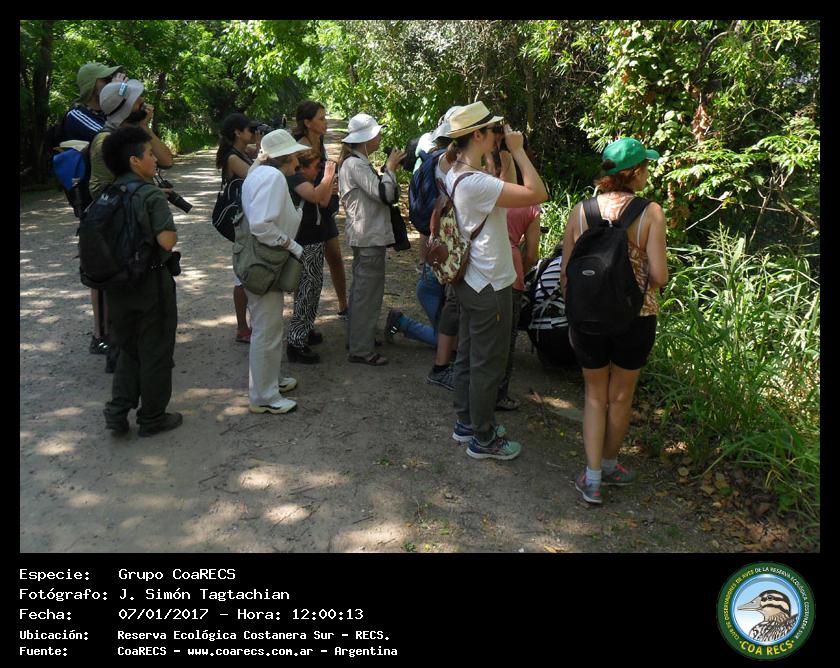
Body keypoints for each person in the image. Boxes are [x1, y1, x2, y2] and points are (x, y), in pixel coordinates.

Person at [560, 137, 668, 504]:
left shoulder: (581, 211)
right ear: (635, 172)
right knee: (621, 396)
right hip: (636, 317)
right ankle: (609, 464)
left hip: (587, 316)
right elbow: (659, 276)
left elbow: (566, 272)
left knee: (594, 395)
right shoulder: (650, 212)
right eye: (646, 167)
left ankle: (591, 479)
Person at [443, 102, 547, 461]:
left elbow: (506, 191)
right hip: (489, 282)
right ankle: (483, 438)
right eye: (492, 130)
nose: (498, 134)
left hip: (470, 280)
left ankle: (466, 422)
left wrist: (498, 156)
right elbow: (536, 193)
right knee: (488, 363)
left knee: (469, 354)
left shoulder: (457, 172)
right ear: (477, 135)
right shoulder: (476, 183)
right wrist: (518, 150)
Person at [100, 126, 182, 437]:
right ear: (135, 160)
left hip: (116, 284)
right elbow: (166, 241)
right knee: (156, 350)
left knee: (127, 349)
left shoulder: (107, 193)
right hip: (150, 283)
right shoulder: (150, 195)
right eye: (150, 154)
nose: (155, 159)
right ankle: (152, 417)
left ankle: (117, 410)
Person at [240, 129, 309, 414]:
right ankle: (264, 397)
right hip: (266, 262)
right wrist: (292, 245)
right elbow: (261, 225)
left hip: (261, 261)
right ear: (284, 157)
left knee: (268, 327)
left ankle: (270, 381)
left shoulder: (258, 172)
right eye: (294, 156)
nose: (297, 163)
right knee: (267, 330)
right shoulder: (273, 177)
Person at [60, 62, 125, 358]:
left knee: (118, 260)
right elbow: (112, 138)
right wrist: (121, 99)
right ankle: (100, 334)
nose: (110, 81)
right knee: (99, 267)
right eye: (105, 79)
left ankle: (116, 326)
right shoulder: (77, 115)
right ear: (92, 85)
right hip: (93, 203)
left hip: (113, 200)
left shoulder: (102, 114)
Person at [338, 113, 406, 366]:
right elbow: (385, 194)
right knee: (368, 294)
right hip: (369, 237)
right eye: (376, 134)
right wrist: (390, 169)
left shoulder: (356, 163)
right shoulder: (356, 165)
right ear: (365, 139)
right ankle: (361, 349)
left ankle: (359, 339)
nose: (380, 137)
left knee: (362, 292)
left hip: (366, 235)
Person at [292, 101, 349, 319]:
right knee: (306, 268)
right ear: (307, 122)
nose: (326, 122)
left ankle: (343, 304)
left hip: (324, 209)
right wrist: (326, 186)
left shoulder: (319, 141)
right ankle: (302, 318)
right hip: (308, 211)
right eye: (321, 118)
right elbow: (302, 183)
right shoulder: (300, 148)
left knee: (335, 256)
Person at [285, 148, 338, 363]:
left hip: (314, 242)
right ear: (303, 167)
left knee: (314, 288)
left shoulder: (308, 180)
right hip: (305, 243)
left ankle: (305, 330)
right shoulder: (296, 178)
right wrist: (327, 177)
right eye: (316, 167)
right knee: (306, 291)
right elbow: (316, 196)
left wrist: (327, 182)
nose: (318, 171)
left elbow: (323, 202)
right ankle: (295, 343)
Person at [88, 78, 174, 201]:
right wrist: (144, 194)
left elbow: (167, 162)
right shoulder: (105, 141)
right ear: (125, 111)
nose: (143, 102)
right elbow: (99, 191)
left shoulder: (134, 133)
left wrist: (144, 126)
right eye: (137, 102)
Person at [216, 113, 260, 343]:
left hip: (248, 218)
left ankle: (252, 324)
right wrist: (263, 151)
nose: (253, 133)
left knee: (248, 272)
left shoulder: (242, 152)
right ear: (237, 132)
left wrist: (260, 147)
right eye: (250, 129)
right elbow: (256, 177)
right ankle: (242, 328)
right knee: (241, 276)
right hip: (241, 222)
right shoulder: (233, 158)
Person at [496, 202, 541, 411]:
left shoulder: (488, 190)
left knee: (477, 330)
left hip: (480, 265)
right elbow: (531, 254)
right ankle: (499, 395)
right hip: (510, 269)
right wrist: (523, 268)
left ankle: (471, 388)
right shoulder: (530, 205)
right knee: (507, 337)